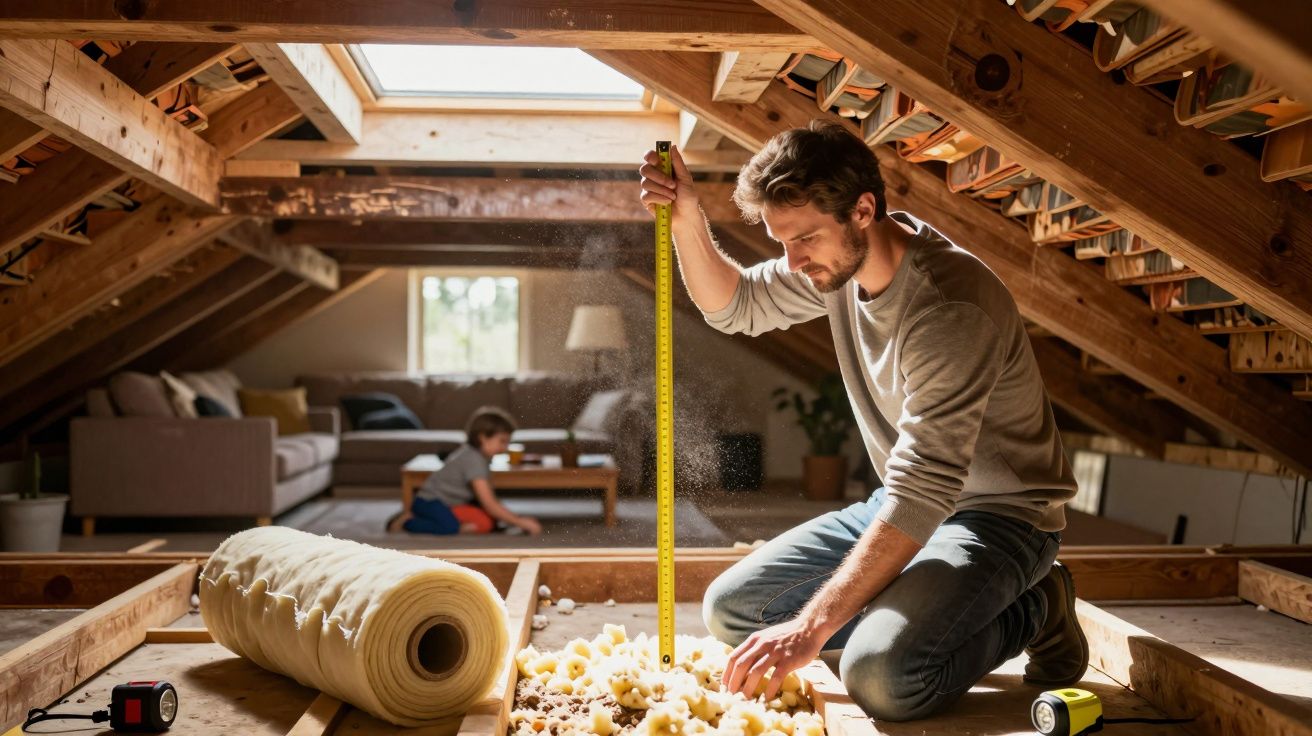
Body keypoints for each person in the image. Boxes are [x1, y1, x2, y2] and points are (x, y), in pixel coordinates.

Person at [638, 122, 1087, 721]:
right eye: (781, 242)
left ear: (863, 209)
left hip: (1003, 516)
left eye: (803, 240)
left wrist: (810, 628)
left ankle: (1038, 606)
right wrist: (689, 218)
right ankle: (919, 602)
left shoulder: (948, 310)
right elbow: (735, 308)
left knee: (883, 677)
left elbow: (925, 487)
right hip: (903, 502)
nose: (793, 262)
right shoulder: (836, 267)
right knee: (732, 608)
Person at [389, 406, 542, 536]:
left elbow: (489, 498)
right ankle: (407, 521)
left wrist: (511, 518)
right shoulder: (473, 459)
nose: (505, 447)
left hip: (453, 503)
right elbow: (488, 503)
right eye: (502, 441)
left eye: (507, 442)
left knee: (489, 522)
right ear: (483, 437)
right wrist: (520, 522)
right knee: (449, 527)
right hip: (431, 501)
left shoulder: (479, 456)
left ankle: (450, 521)